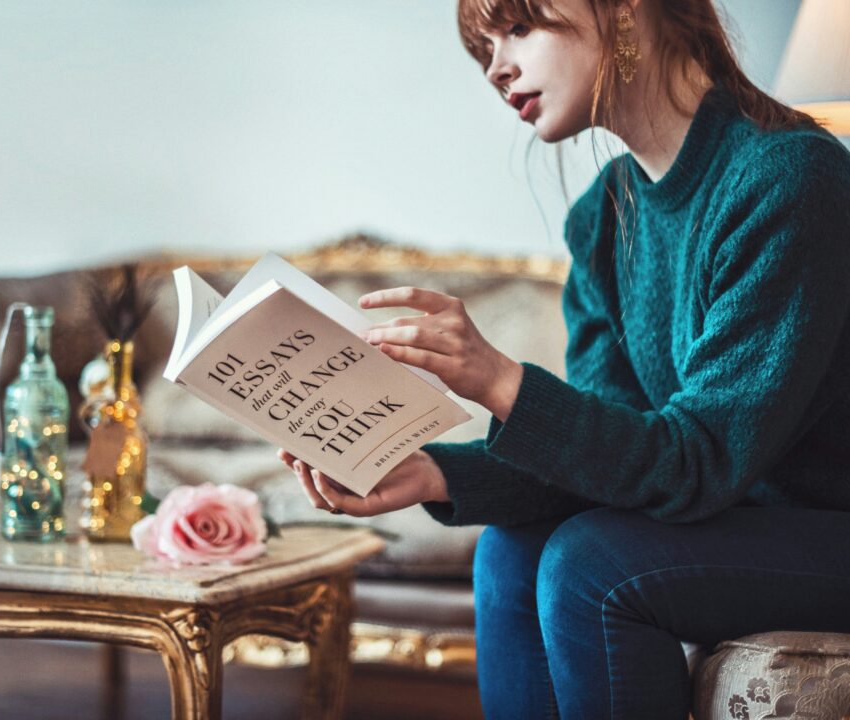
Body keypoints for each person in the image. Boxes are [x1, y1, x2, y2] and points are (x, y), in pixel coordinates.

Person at [278, 0, 850, 717]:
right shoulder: (604, 217)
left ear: (624, 12)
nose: (496, 68)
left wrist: (498, 379)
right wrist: (431, 471)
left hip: (828, 528)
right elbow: (609, 456)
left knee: (591, 564)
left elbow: (699, 460)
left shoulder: (789, 177)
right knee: (510, 553)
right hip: (734, 521)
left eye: (518, 28)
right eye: (483, 48)